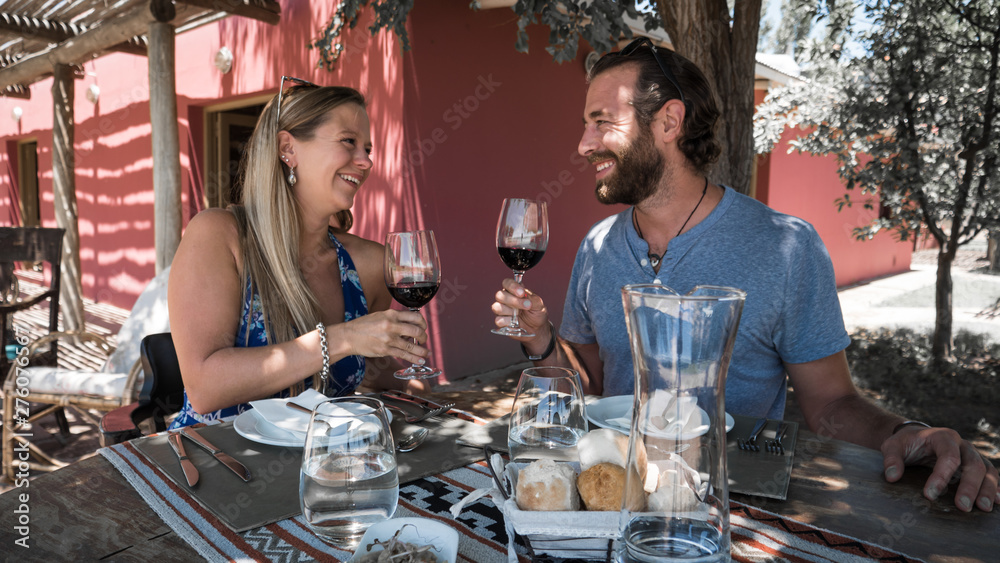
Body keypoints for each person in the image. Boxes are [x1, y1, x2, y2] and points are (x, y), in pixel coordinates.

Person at [492, 38, 998, 513]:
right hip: (615, 507)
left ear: (669, 121)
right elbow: (593, 387)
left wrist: (909, 431)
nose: (583, 145)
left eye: (601, 122)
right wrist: (541, 341)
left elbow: (831, 405)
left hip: (735, 516)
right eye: (585, 124)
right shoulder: (598, 246)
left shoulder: (786, 247)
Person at [168, 81, 431, 429]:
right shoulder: (219, 236)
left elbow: (369, 374)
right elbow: (204, 387)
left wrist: (414, 380)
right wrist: (344, 337)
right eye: (349, 141)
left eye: (368, 148)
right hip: (217, 466)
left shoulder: (368, 265)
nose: (366, 161)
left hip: (326, 468)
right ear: (287, 148)